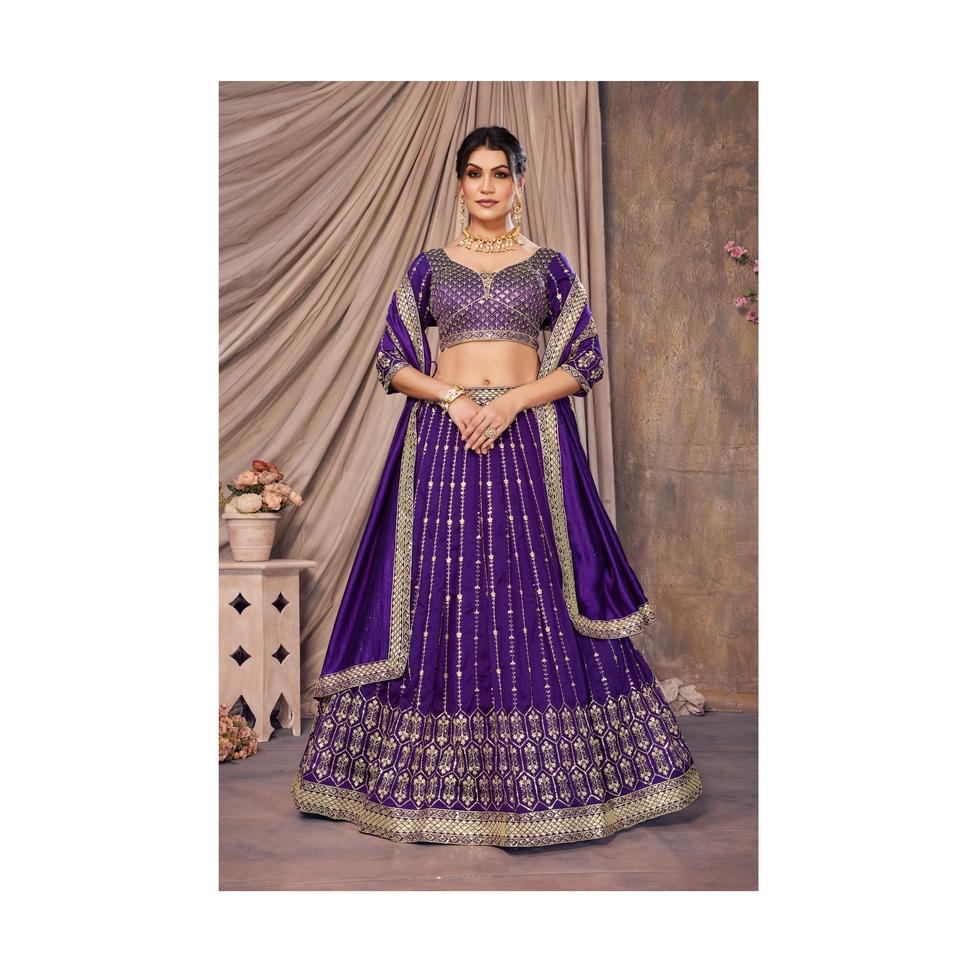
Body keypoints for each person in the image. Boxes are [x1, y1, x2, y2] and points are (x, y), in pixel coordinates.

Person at [291, 125, 703, 846]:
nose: (487, 186)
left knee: (532, 588)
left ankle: (552, 783)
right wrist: (454, 398)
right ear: (460, 183)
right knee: (440, 590)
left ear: (520, 182)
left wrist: (511, 402)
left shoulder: (548, 266)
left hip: (529, 440)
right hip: (443, 443)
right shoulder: (430, 268)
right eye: (475, 173)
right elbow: (392, 360)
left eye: (500, 174)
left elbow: (584, 360)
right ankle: (428, 781)